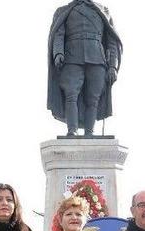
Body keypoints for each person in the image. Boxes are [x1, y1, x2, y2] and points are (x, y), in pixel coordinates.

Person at [47, 0, 122, 136]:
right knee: (71, 94)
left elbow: (112, 42)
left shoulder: (103, 11)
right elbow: (58, 34)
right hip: (71, 56)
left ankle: (90, 132)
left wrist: (113, 66)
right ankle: (72, 130)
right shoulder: (63, 11)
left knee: (93, 97)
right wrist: (58, 53)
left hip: (97, 57)